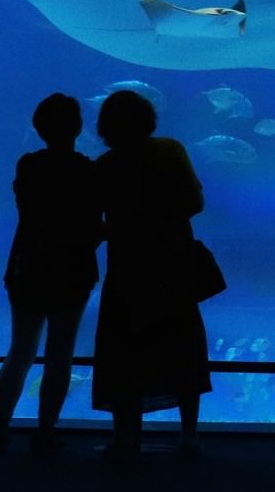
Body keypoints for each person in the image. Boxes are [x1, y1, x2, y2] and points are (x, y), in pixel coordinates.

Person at [90, 90, 211, 459]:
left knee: (124, 352)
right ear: (148, 119)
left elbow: (97, 223)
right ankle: (188, 436)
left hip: (127, 270)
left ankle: (125, 438)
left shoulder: (105, 165)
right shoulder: (170, 150)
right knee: (182, 346)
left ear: (106, 126)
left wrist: (125, 226)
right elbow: (195, 202)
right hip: (171, 263)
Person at [0, 93, 102, 457]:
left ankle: (0, 427)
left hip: (29, 266)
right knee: (60, 354)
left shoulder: (28, 166)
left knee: (20, 351)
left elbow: (31, 213)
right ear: (79, 127)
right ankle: (45, 431)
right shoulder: (87, 170)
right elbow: (90, 224)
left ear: (38, 129)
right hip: (72, 269)